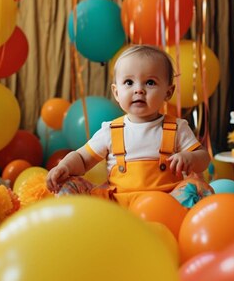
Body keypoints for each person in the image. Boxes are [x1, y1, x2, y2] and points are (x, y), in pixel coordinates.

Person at [45, 45, 212, 208]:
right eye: (129, 82)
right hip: (117, 206)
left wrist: (190, 158)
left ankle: (181, 225)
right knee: (67, 185)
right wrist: (64, 166)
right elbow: (82, 159)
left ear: (168, 93)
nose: (139, 90)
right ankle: (82, 222)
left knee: (197, 188)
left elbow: (203, 157)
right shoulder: (110, 131)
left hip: (164, 203)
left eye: (150, 82)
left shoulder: (176, 127)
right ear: (117, 93)